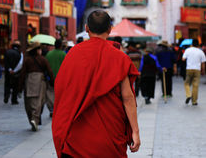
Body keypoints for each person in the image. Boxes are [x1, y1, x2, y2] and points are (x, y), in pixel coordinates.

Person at [52, 10, 140, 157]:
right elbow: (128, 97)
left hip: (77, 138)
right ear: (110, 29)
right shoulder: (119, 58)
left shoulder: (72, 55)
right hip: (109, 138)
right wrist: (135, 132)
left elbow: (62, 91)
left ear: (86, 28)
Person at [20, 42, 54, 132]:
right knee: (39, 101)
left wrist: (20, 85)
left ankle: (32, 118)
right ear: (37, 50)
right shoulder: (43, 59)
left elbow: (23, 72)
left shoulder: (27, 60)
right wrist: (52, 82)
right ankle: (35, 118)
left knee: (29, 100)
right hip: (40, 81)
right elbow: (49, 71)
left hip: (29, 80)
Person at [44, 39, 66, 117]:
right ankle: (58, 108)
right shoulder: (63, 54)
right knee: (60, 94)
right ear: (60, 46)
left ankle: (52, 108)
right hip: (61, 78)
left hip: (50, 78)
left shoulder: (49, 54)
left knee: (50, 93)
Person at [182, 39, 206, 105]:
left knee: (186, 83)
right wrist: (203, 71)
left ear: (192, 44)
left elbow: (183, 59)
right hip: (197, 70)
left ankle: (188, 95)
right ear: (198, 44)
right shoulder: (201, 52)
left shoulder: (188, 50)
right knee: (195, 85)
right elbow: (203, 63)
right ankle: (194, 101)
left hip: (189, 69)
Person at [4, 40, 23, 105]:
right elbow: (20, 64)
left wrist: (9, 69)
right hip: (16, 73)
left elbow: (6, 63)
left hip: (8, 72)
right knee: (15, 86)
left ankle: (6, 95)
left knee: (7, 84)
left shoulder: (7, 52)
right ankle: (14, 99)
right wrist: (14, 70)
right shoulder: (20, 53)